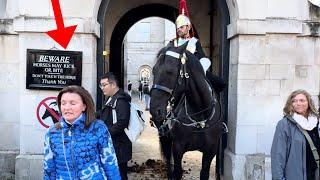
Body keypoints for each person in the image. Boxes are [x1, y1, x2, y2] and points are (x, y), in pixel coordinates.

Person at [44, 85, 120, 179]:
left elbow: (110, 164)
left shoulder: (98, 129)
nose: (67, 107)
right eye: (63, 103)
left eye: (73, 103)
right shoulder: (52, 132)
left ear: (84, 106)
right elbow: (49, 168)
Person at [166, 0, 226, 94]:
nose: (179, 30)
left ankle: (213, 102)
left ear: (188, 27)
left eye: (181, 27)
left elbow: (202, 57)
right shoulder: (172, 43)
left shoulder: (194, 42)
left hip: (194, 72)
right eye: (177, 28)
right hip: (176, 74)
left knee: (221, 83)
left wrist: (199, 70)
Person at [271, 89, 320, 180]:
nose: (298, 103)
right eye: (294, 101)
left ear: (308, 102)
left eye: (302, 100)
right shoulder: (284, 124)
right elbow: (278, 156)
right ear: (290, 104)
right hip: (296, 175)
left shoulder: (316, 122)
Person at [97, 72, 132, 180]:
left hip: (119, 146)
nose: (102, 88)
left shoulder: (120, 100)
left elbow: (122, 122)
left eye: (104, 85)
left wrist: (105, 134)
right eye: (101, 85)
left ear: (113, 85)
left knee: (120, 174)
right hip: (113, 145)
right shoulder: (111, 98)